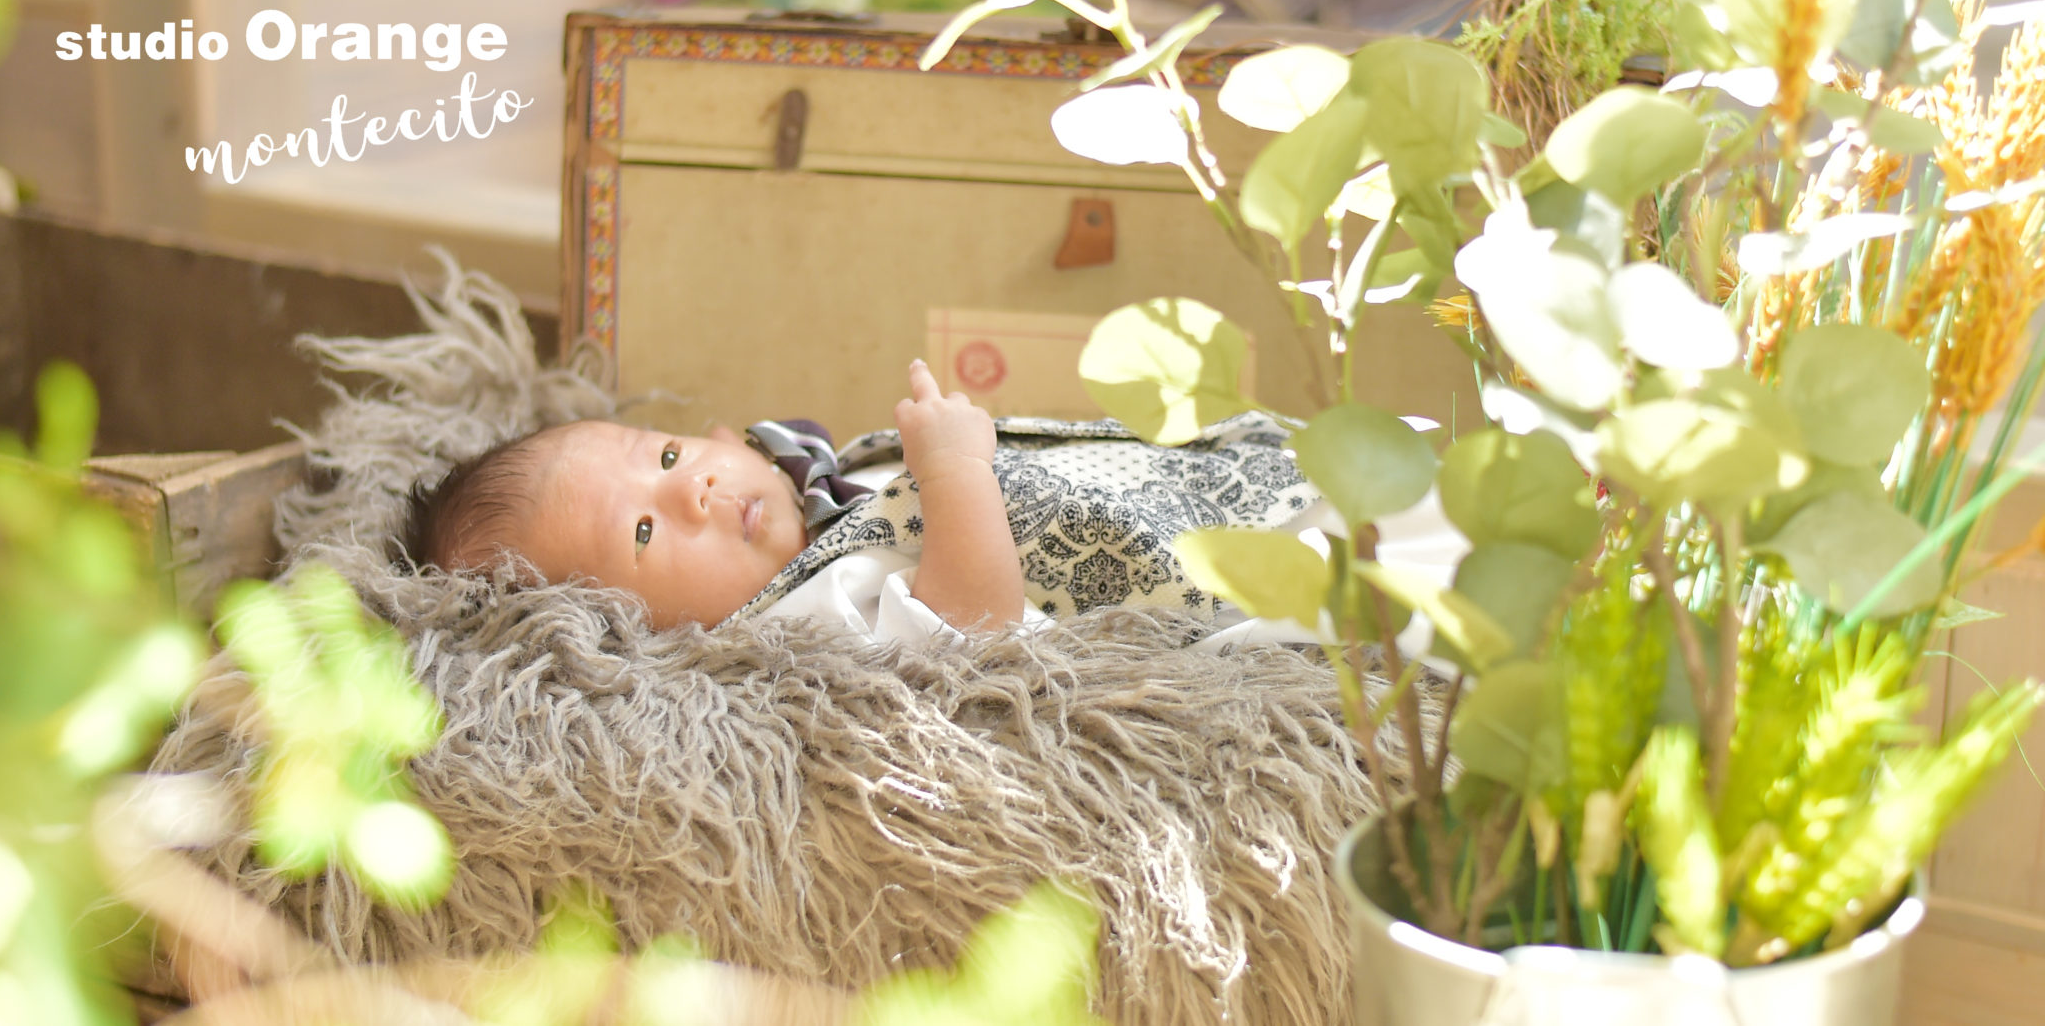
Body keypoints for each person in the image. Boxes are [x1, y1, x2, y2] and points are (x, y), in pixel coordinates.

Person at [403, 360, 1465, 648]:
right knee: (1411, 576)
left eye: (669, 452)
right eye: (641, 531)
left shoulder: (811, 493)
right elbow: (971, 622)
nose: (691, 485)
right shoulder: (797, 625)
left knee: (1414, 475)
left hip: (1205, 483)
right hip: (1212, 582)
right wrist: (954, 471)